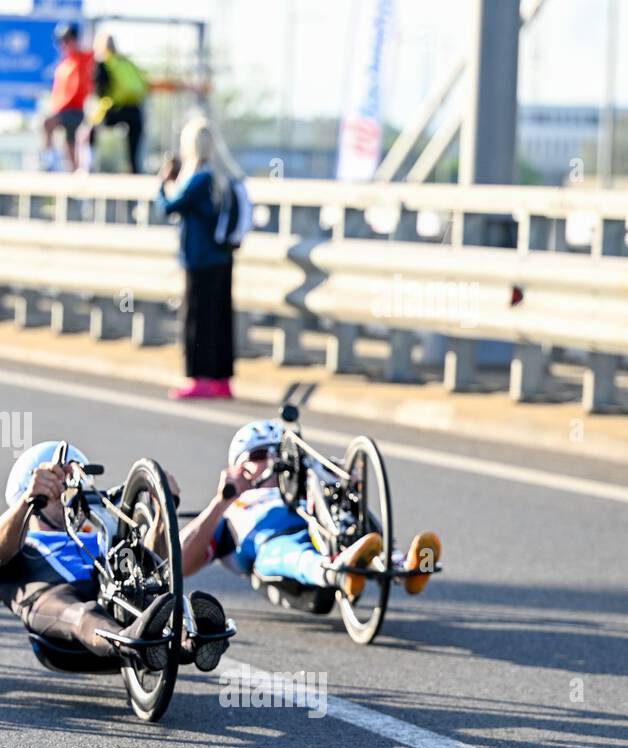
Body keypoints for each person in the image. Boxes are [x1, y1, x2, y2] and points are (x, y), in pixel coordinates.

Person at [0, 441, 227, 672]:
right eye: (56, 487)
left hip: (115, 606)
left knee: (146, 588)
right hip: (57, 623)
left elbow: (153, 565)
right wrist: (29, 501)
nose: (67, 497)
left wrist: (163, 511)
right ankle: (136, 644)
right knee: (81, 613)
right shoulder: (15, 538)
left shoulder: (103, 537)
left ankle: (192, 639)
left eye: (72, 487)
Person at [178, 420, 443, 601]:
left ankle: (408, 564)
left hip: (322, 525)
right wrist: (221, 500)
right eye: (259, 455)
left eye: (278, 451)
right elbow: (180, 562)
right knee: (281, 551)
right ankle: (336, 570)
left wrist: (345, 480)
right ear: (239, 468)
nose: (272, 459)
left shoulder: (307, 482)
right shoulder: (232, 509)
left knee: (351, 513)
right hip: (273, 545)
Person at [159, 120, 235, 400]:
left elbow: (169, 207)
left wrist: (163, 182)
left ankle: (198, 377)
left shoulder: (198, 178)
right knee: (221, 319)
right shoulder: (223, 177)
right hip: (224, 257)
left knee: (196, 320)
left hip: (200, 259)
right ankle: (222, 379)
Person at [88, 34, 148, 174]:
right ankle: (135, 173)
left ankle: (89, 167)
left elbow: (100, 92)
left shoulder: (104, 63)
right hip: (135, 110)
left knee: (86, 132)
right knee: (133, 151)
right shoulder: (127, 62)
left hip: (115, 109)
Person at [41, 23, 94, 172]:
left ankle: (49, 161)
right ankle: (73, 175)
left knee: (47, 123)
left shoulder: (83, 59)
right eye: (61, 41)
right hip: (63, 109)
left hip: (75, 109)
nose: (64, 44)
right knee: (69, 145)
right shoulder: (64, 64)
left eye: (68, 40)